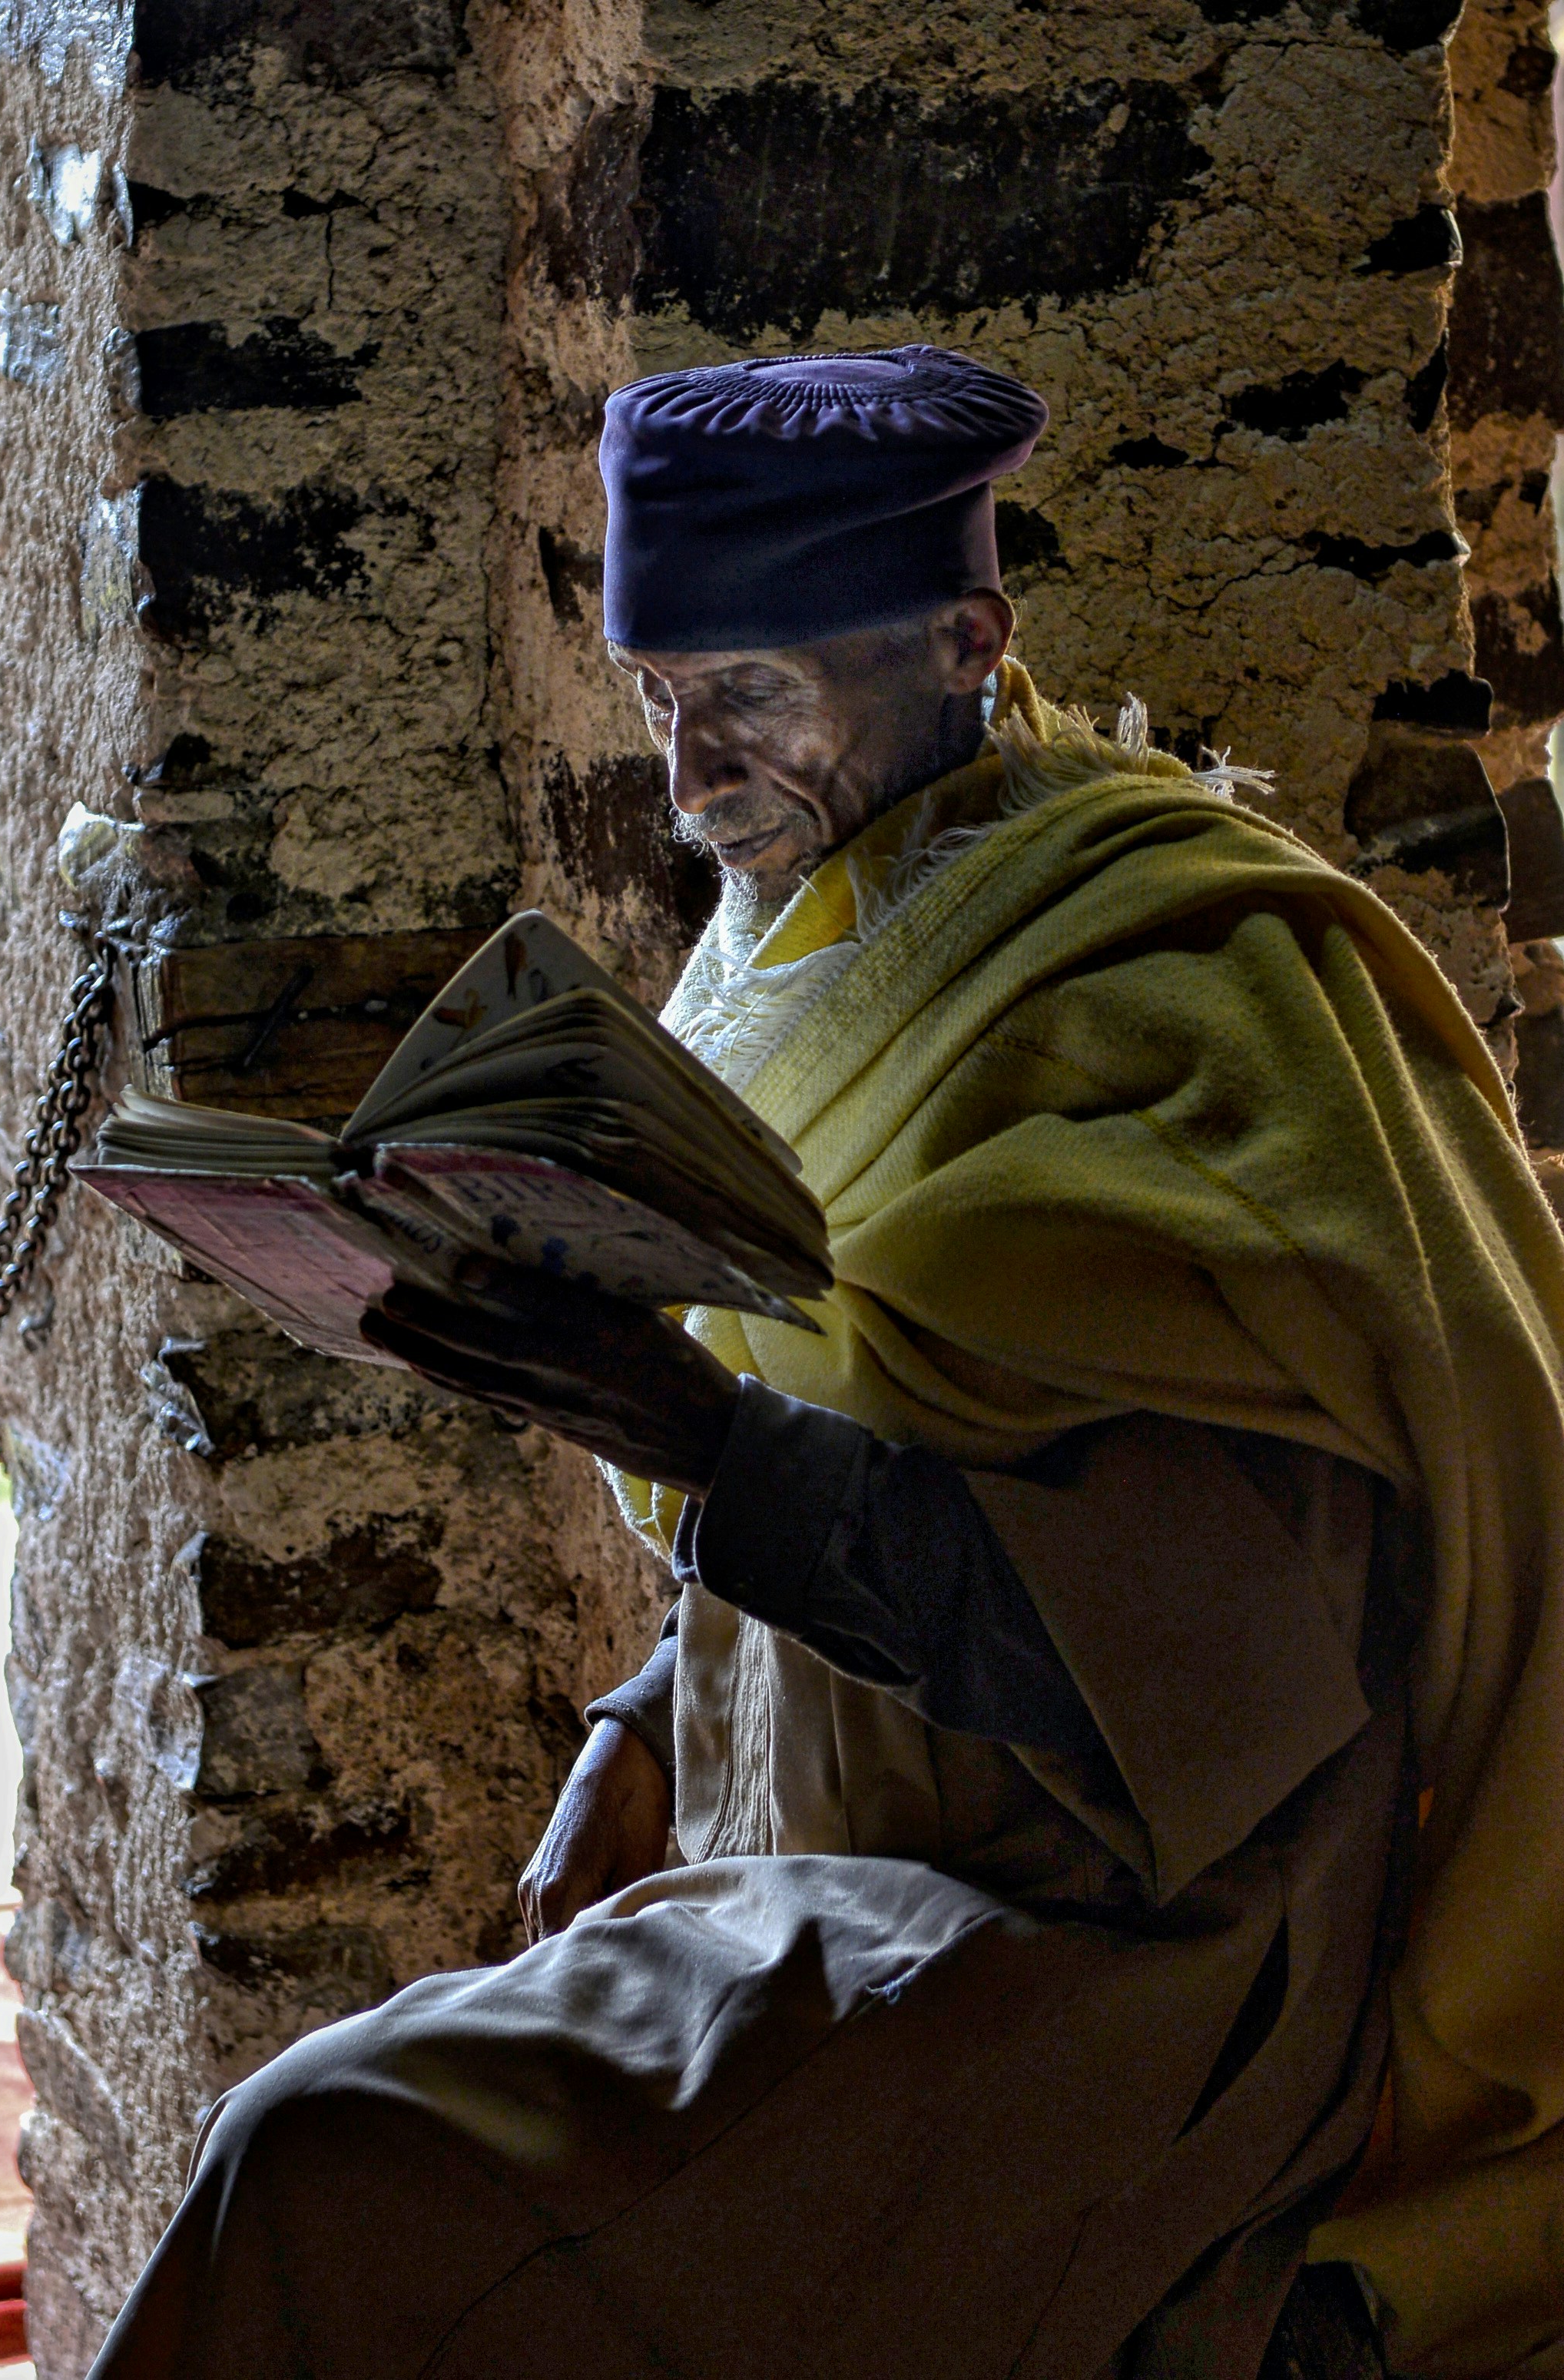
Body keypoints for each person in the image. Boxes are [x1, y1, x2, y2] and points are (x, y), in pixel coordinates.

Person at [88, 346, 1564, 2380]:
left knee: (330, 2158)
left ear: (967, 642)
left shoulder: (1186, 992)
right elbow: (885, 1399)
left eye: (750, 700)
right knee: (358, 2159)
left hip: (1120, 1974)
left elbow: (1230, 1689)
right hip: (825, 1870)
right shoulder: (818, 927)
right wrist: (638, 1709)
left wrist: (697, 1434)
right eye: (664, 703)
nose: (692, 783)